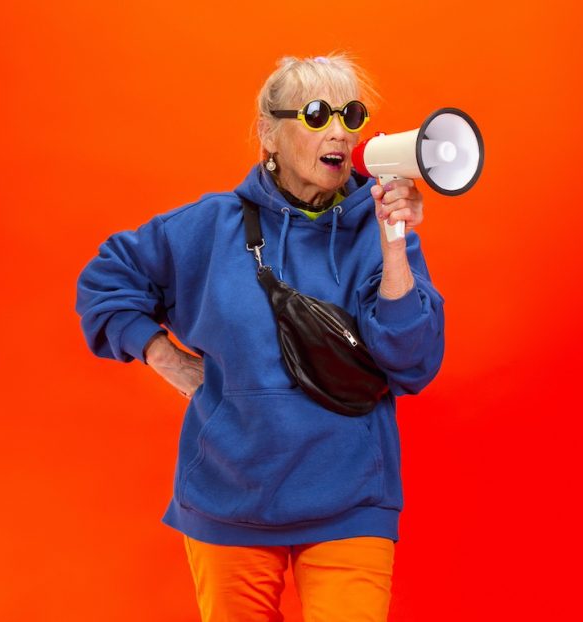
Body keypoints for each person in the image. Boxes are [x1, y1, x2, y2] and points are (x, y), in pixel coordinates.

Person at [75, 53, 445, 621]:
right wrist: (164, 357)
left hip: (351, 503)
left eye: (351, 114)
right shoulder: (210, 227)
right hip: (231, 504)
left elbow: (412, 362)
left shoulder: (379, 228)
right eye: (317, 114)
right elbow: (107, 281)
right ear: (268, 135)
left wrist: (393, 241)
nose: (340, 132)